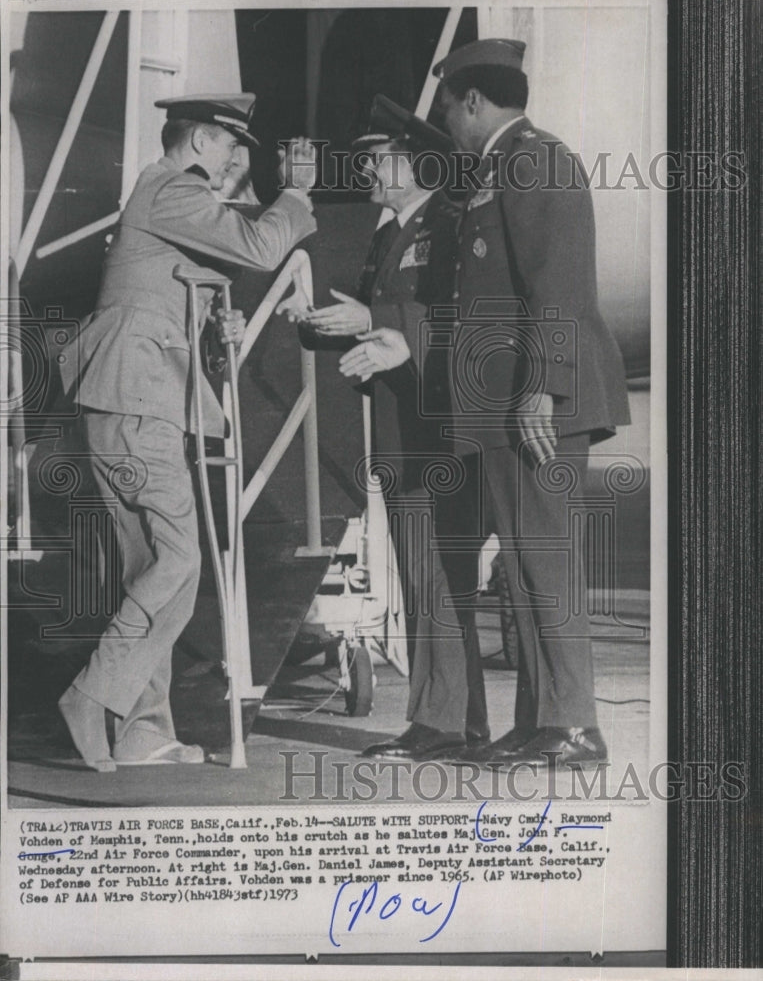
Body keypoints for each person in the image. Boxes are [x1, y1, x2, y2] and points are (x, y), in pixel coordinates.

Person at [57, 93, 317, 771]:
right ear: (200, 142)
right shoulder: (173, 191)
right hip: (138, 400)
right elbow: (262, 246)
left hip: (130, 398)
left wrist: (213, 330)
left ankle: (141, 732)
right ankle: (93, 692)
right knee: (179, 561)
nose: (235, 161)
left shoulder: (163, 201)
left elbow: (173, 296)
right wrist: (295, 194)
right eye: (231, 146)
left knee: (152, 567)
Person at [430, 38, 631, 768]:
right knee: (521, 564)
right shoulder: (502, 167)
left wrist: (543, 386)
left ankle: (574, 725)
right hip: (506, 399)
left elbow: (559, 284)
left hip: (536, 398)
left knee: (545, 559)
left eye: (448, 110)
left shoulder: (535, 159)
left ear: (472, 101)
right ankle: (541, 723)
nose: (447, 125)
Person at [291, 96, 487, 760]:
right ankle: (451, 721)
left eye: (379, 159)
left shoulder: (449, 224)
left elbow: (464, 317)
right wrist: (318, 324)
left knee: (437, 580)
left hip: (440, 431)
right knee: (425, 580)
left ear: (416, 164)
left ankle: (443, 725)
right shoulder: (389, 233)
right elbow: (376, 322)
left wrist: (376, 318)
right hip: (403, 433)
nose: (367, 170)